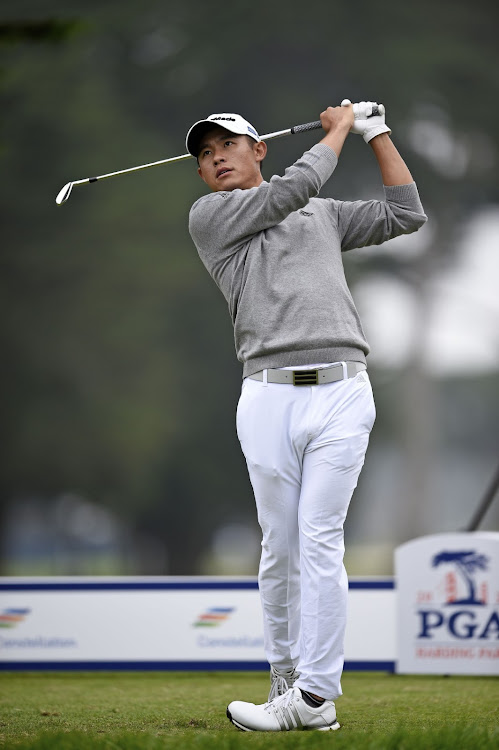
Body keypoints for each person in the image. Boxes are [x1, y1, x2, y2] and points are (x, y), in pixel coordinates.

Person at [186, 102, 427, 732]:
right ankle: (285, 679)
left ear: (257, 148)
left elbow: (407, 213)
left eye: (226, 146)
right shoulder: (212, 217)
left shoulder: (321, 215)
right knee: (280, 549)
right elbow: (294, 187)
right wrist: (339, 128)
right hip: (268, 396)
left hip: (343, 390)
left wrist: (376, 134)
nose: (214, 160)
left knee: (321, 543)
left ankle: (316, 697)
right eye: (205, 155)